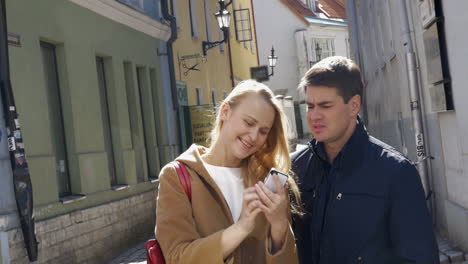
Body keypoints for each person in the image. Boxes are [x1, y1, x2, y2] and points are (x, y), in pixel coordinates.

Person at [291, 56, 439, 264]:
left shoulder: (396, 172)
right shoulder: (294, 169)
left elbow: (419, 258)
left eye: (325, 106)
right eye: (310, 106)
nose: (314, 116)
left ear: (353, 105)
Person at [155, 80, 300, 264]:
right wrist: (242, 227)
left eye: (263, 131)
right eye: (248, 122)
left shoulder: (266, 182)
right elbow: (177, 258)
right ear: (225, 111)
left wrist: (280, 227)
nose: (254, 136)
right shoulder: (176, 176)